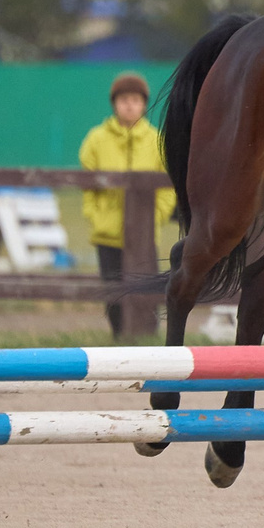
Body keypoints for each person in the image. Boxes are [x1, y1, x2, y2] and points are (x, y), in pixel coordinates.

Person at [80, 72, 176, 338]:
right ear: (114, 103)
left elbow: (168, 187)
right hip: (108, 232)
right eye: (124, 100)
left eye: (135, 100)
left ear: (144, 104)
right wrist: (96, 216)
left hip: (145, 233)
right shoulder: (96, 139)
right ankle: (118, 338)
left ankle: (147, 340)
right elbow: (86, 185)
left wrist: (155, 217)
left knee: (146, 288)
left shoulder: (156, 140)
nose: (129, 105)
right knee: (112, 289)